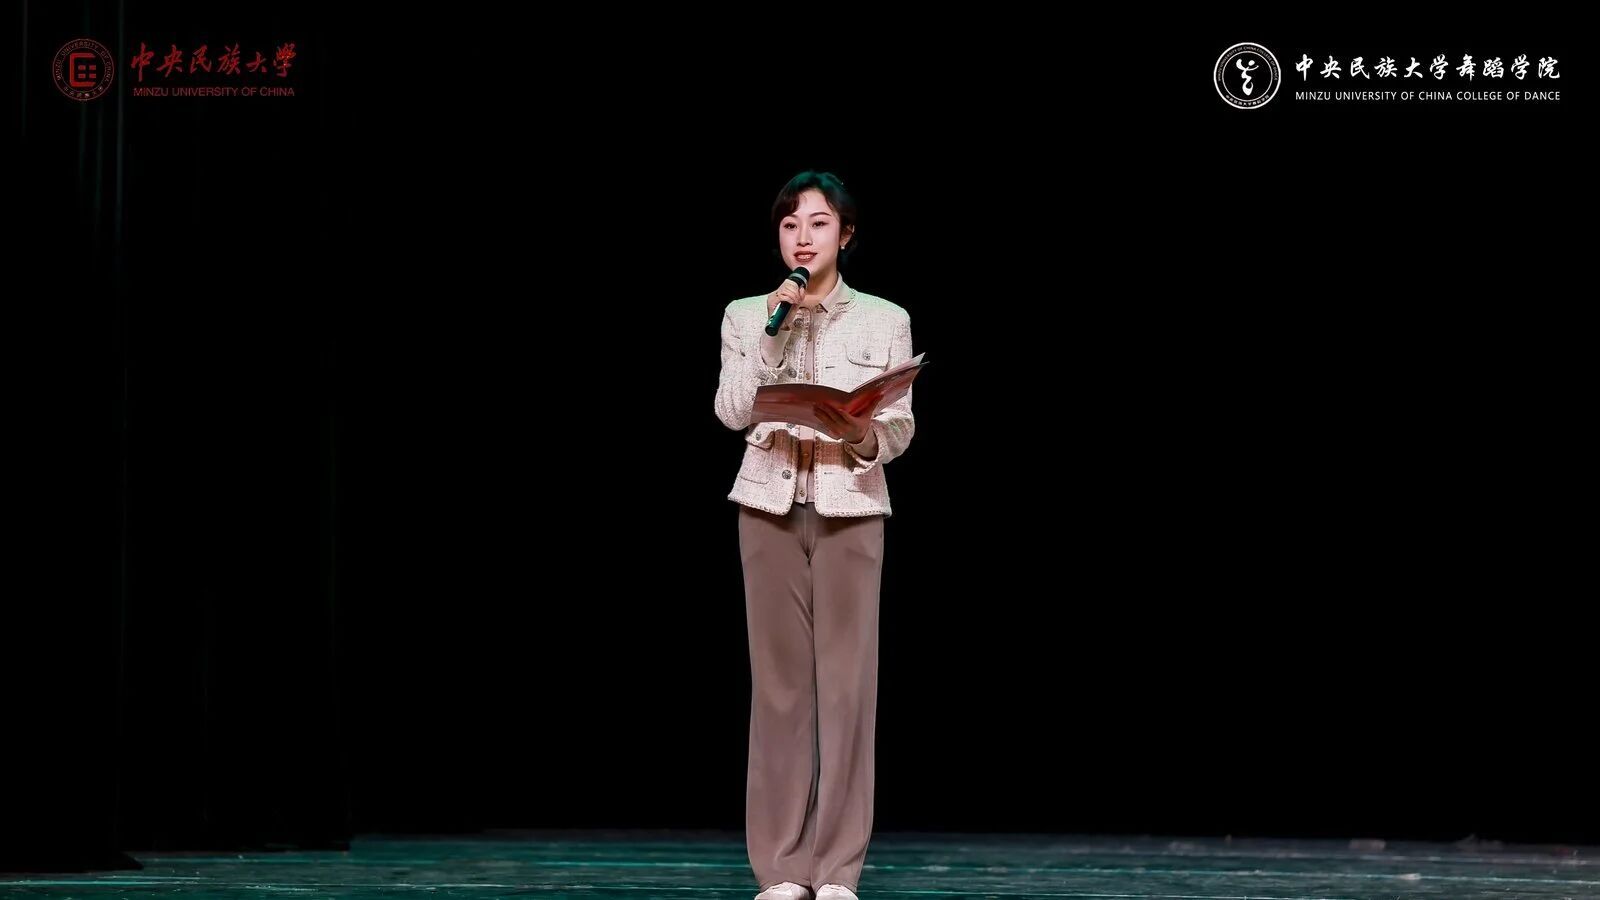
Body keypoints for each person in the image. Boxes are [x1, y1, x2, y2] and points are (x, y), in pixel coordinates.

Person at [713, 171, 918, 900]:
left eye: (819, 223)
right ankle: (780, 868)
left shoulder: (884, 318)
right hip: (766, 507)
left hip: (850, 509)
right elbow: (731, 410)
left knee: (847, 691)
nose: (802, 237)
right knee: (778, 693)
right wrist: (772, 335)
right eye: (790, 224)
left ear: (846, 234)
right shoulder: (746, 314)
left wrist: (861, 433)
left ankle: (835, 871)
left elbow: (900, 425)